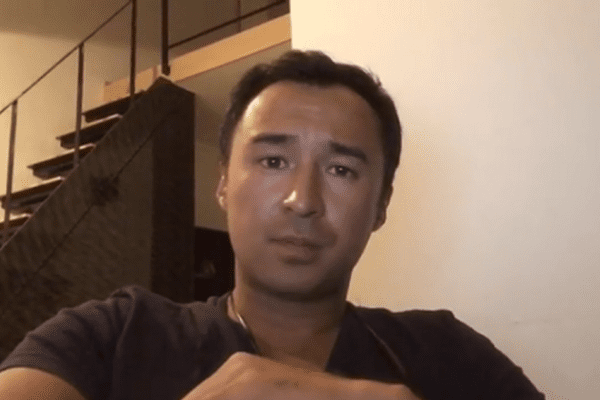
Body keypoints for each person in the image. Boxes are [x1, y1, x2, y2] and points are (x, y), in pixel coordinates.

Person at [0, 50, 544, 400]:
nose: (301, 200)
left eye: (341, 170)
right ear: (222, 184)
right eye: (273, 161)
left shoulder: (448, 356)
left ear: (381, 205)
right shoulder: (112, 336)